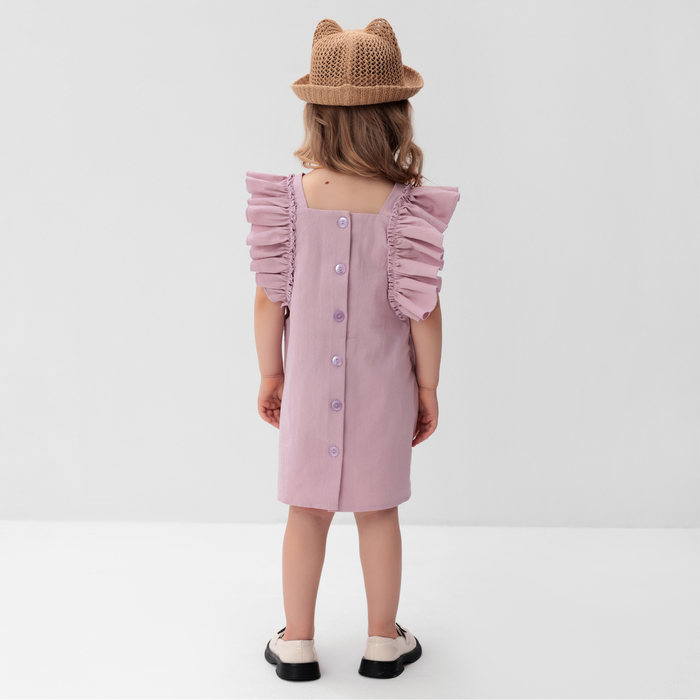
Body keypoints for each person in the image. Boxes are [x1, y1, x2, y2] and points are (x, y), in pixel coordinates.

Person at [245, 17, 460, 682]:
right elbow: (424, 311)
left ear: (316, 116)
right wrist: (427, 387)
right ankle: (382, 642)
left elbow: (268, 300)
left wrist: (272, 374)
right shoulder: (406, 209)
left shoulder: (290, 201)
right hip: (382, 392)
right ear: (396, 116)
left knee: (305, 515)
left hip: (308, 390)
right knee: (379, 514)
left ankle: (297, 643)